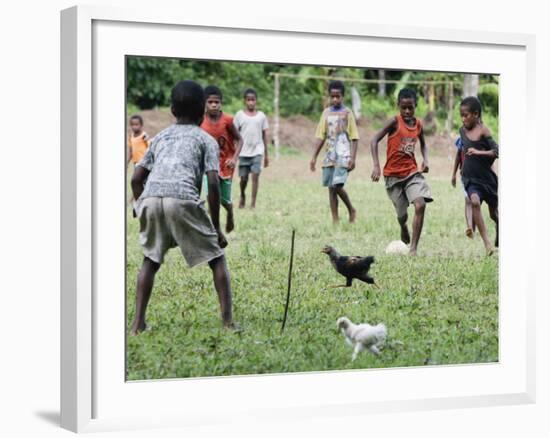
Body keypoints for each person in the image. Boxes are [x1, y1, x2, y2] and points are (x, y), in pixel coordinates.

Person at [130, 80, 235, 335]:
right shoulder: (205, 139)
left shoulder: (160, 137)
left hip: (151, 197)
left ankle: (137, 324)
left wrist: (138, 203)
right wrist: (216, 228)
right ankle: (228, 322)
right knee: (216, 257)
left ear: (172, 110)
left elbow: (136, 177)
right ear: (202, 111)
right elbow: (212, 182)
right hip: (183, 198)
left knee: (150, 259)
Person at [370, 88, 432, 256]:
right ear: (398, 106)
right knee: (402, 215)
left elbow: (424, 144)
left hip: (411, 173)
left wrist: (425, 159)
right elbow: (374, 140)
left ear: (415, 106)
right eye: (403, 107)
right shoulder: (394, 122)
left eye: (410, 107)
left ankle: (413, 249)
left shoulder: (418, 124)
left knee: (420, 204)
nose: (407, 111)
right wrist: (376, 165)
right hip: (392, 176)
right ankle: (403, 226)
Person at [310, 80, 359, 224]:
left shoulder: (347, 113)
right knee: (331, 188)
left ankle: (351, 209)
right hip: (329, 154)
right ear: (329, 97)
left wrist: (353, 158)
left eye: (338, 96)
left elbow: (354, 137)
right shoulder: (326, 113)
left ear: (343, 96)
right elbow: (321, 136)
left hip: (343, 155)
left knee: (337, 185)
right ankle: (335, 220)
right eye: (333, 96)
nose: (335, 99)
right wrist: (314, 156)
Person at [458, 96, 499, 254]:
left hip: (487, 180)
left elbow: (497, 152)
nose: (463, 119)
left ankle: (499, 227)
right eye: (461, 115)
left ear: (475, 114)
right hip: (470, 178)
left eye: (466, 115)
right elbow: (463, 149)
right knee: (474, 202)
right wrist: (462, 168)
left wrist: (478, 152)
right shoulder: (462, 130)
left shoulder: (484, 130)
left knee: (494, 214)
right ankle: (487, 244)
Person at [200, 85, 242, 233]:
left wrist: (234, 158)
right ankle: (214, 229)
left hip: (225, 164)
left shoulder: (228, 120)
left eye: (216, 102)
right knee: (210, 194)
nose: (213, 105)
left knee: (224, 200)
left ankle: (230, 212)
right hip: (208, 165)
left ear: (221, 103)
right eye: (210, 102)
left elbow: (240, 140)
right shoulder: (200, 120)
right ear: (204, 103)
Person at [233, 88, 269, 209]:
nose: (251, 102)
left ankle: (253, 204)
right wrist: (234, 151)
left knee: (255, 176)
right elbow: (234, 134)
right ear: (245, 101)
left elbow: (264, 135)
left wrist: (266, 155)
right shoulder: (239, 115)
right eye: (248, 100)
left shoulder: (261, 116)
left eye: (253, 100)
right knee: (243, 178)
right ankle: (242, 195)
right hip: (243, 152)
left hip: (257, 151)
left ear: (256, 101)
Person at [451, 136, 476, 238]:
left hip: (478, 174)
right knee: (468, 199)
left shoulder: (480, 137)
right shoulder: (461, 138)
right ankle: (470, 227)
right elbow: (458, 155)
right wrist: (453, 174)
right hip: (465, 175)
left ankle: (474, 226)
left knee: (475, 201)